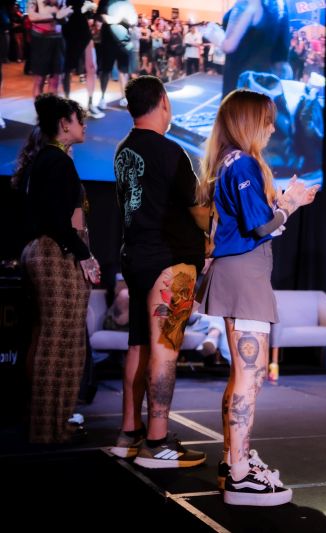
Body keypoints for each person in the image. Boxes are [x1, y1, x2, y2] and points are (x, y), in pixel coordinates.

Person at [196, 89, 318, 505]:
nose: (272, 128)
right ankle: (240, 473)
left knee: (243, 374)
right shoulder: (243, 162)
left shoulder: (228, 161)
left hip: (239, 272)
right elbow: (261, 226)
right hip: (244, 274)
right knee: (251, 374)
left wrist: (280, 203)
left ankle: (234, 460)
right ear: (249, 121)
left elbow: (254, 220)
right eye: (266, 120)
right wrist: (291, 205)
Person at [109, 76, 207, 468]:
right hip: (169, 260)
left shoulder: (123, 149)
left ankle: (129, 434)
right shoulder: (171, 151)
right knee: (165, 347)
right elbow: (199, 212)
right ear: (164, 101)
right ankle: (157, 441)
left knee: (139, 345)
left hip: (135, 257)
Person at [15, 94, 100, 443]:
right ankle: (47, 428)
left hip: (43, 251)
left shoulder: (46, 159)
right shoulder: (56, 161)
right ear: (64, 124)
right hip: (54, 254)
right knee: (58, 342)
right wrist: (85, 255)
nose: (84, 126)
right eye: (79, 120)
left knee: (53, 339)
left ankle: (51, 423)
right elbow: (57, 220)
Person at [201, 0, 290, 97]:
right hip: (264, 80)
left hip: (240, 77)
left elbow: (229, 46)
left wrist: (214, 34)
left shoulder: (246, 3)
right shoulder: (280, 6)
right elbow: (281, 58)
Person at [62, 0, 104, 118]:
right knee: (67, 68)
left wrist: (92, 15)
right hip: (69, 27)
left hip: (83, 28)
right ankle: (66, 104)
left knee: (92, 67)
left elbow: (93, 12)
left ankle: (90, 104)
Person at [26, 0, 72, 97]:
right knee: (40, 79)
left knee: (56, 79)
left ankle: (52, 106)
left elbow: (64, 17)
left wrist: (65, 16)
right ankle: (40, 106)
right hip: (41, 38)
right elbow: (31, 16)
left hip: (58, 38)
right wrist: (55, 15)